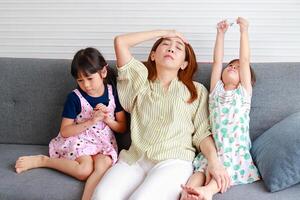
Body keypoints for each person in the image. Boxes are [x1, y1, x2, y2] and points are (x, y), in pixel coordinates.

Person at [91, 30, 230, 200]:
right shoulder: (139, 81)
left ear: (184, 64)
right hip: (134, 160)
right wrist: (166, 32)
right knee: (101, 196)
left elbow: (202, 134)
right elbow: (120, 42)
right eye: (165, 44)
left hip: (173, 161)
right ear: (153, 55)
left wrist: (215, 163)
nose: (171, 49)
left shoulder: (197, 91)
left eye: (178, 48)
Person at [15, 47, 127, 200]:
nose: (86, 85)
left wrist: (107, 119)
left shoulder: (113, 93)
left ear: (103, 72)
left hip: (104, 143)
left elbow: (122, 127)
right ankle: (44, 160)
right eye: (80, 80)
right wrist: (91, 121)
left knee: (102, 167)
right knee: (84, 171)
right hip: (80, 140)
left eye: (89, 78)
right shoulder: (74, 98)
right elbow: (65, 131)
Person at [180, 17, 260, 200]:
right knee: (201, 171)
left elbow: (245, 59)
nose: (232, 67)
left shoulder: (243, 94)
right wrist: (220, 34)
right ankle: (188, 192)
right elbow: (217, 61)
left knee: (222, 171)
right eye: (230, 65)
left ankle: (207, 192)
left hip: (235, 149)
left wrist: (244, 31)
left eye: (237, 68)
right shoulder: (215, 90)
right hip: (214, 148)